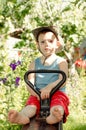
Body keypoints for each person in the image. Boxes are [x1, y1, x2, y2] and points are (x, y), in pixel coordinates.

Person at [8, 26, 69, 125]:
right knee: (31, 106)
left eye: (50, 41)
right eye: (42, 42)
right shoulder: (34, 63)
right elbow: (30, 83)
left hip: (57, 91)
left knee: (58, 104)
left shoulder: (61, 62)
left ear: (57, 44)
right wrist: (37, 94)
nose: (46, 44)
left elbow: (63, 80)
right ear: (38, 45)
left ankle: (54, 116)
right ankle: (22, 116)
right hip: (38, 93)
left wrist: (49, 87)